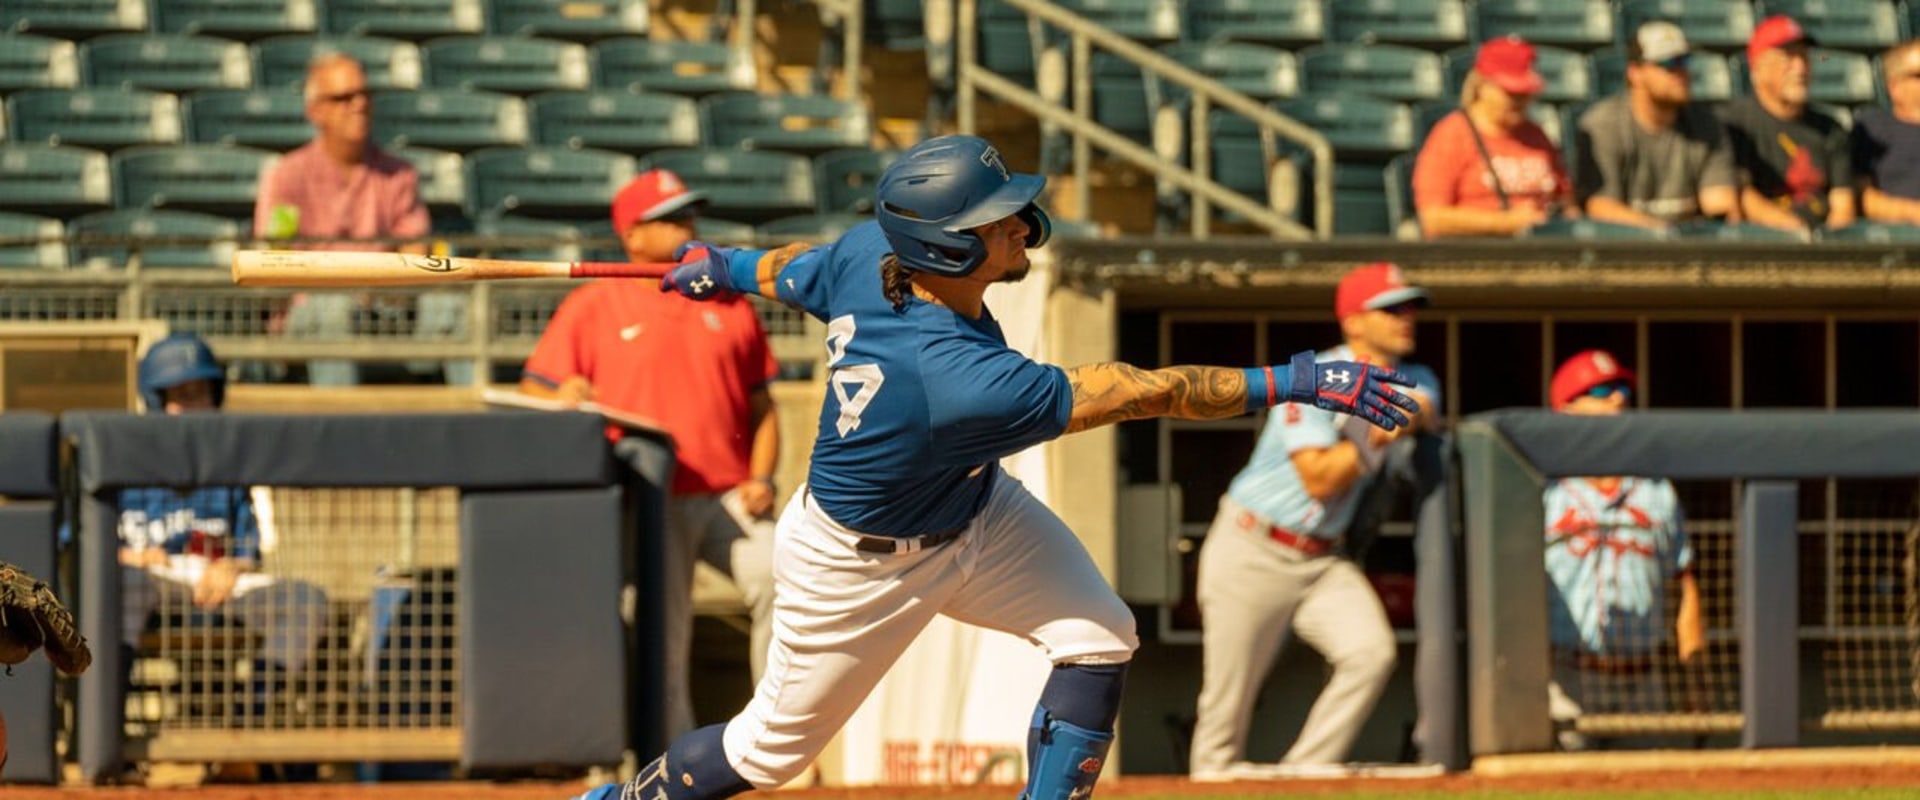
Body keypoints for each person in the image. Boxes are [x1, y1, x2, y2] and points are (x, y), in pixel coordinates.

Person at [565, 134, 1420, 800]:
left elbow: (800, 269)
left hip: (974, 510)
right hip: (857, 566)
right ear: (943, 251)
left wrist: (731, 267)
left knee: (1097, 635)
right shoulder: (956, 379)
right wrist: (1292, 378)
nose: (1018, 224)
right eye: (994, 219)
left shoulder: (874, 252)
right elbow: (1133, 390)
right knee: (767, 754)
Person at [519, 169, 780, 740]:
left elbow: (765, 408)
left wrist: (763, 475)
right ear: (631, 236)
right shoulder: (596, 302)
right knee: (665, 629)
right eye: (670, 217)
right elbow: (534, 388)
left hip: (726, 494)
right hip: (649, 493)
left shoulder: (728, 301)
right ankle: (673, 757)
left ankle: (775, 740)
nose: (687, 225)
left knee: (787, 579)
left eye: (689, 214)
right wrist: (566, 394)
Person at [1187, 263, 1443, 782]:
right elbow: (1320, 479)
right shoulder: (1320, 378)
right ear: (1353, 322)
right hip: (1253, 547)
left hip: (1323, 558)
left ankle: (1307, 773)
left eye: (1410, 307)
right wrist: (1379, 428)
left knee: (1370, 652)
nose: (1406, 318)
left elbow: (1424, 409)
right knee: (1226, 705)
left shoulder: (1418, 376)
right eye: (1391, 308)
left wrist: (1394, 418)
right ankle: (1208, 782)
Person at [120, 334, 329, 724]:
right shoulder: (125, 458)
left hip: (214, 582)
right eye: (181, 396)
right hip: (145, 577)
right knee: (123, 584)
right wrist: (129, 556)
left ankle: (246, 719)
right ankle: (107, 728)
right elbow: (72, 543)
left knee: (307, 600)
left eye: (201, 394)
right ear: (157, 401)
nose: (193, 407)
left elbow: (251, 547)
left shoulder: (233, 465)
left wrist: (235, 565)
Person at [1542, 350, 1703, 752]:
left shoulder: (1655, 491)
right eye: (1600, 390)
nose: (1618, 398)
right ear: (1566, 410)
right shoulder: (1545, 492)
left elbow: (1685, 588)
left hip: (1643, 682)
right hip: (1567, 675)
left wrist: (1696, 683)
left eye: (1623, 389)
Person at [253, 53, 439, 386]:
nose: (359, 104)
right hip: (311, 312)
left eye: (364, 95)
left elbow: (415, 255)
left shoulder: (399, 174)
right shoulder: (287, 176)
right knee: (331, 309)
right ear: (316, 111)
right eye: (343, 98)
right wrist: (346, 287)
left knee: (452, 307)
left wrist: (374, 290)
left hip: (384, 307)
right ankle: (339, 429)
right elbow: (275, 261)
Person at [1574, 22, 1740, 231]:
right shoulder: (1603, 125)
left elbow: (1721, 206)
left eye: (1684, 60)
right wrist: (1665, 235)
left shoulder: (1707, 123)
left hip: (1691, 252)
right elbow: (1602, 208)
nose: (1680, 72)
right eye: (1668, 63)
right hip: (1625, 253)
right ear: (1635, 72)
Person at [1413, 35, 1576, 239]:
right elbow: (1433, 219)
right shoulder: (1453, 134)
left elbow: (1568, 204)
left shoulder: (1537, 135)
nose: (1519, 102)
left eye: (1525, 94)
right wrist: (1505, 223)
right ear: (1482, 86)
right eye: (1511, 93)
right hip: (1476, 256)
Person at [1719, 15, 1856, 233]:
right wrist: (1796, 233)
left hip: (1824, 245)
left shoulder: (1829, 128)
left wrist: (1830, 246)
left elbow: (1843, 204)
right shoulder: (1733, 122)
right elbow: (1742, 196)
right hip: (1763, 245)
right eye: (1788, 57)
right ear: (1757, 68)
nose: (1800, 68)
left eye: (1804, 57)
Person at [1852, 39, 1920, 225]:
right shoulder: (1871, 128)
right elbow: (1864, 198)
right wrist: (1913, 213)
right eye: (1918, 75)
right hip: (1895, 240)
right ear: (1894, 86)